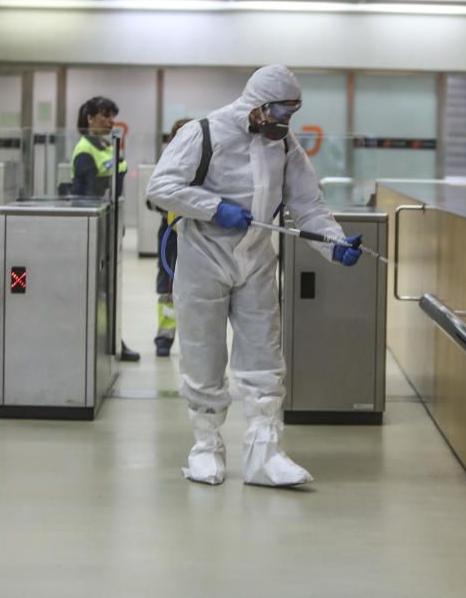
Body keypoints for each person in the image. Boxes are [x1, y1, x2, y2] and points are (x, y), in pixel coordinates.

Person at [146, 65, 362, 487]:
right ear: (257, 105)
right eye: (281, 111)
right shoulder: (203, 132)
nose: (286, 121)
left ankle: (265, 455)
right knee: (203, 354)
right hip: (203, 257)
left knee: (265, 357)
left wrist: (332, 243)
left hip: (257, 259)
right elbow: (161, 186)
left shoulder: (284, 146)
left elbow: (308, 204)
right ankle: (206, 448)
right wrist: (213, 207)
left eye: (293, 112)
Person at [71, 96, 140, 363]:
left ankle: (111, 338)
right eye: (104, 116)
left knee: (110, 286)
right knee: (96, 287)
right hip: (96, 226)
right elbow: (83, 195)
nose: (110, 121)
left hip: (112, 223)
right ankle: (98, 340)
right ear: (89, 118)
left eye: (112, 116)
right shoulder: (85, 150)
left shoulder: (108, 145)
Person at [152, 118, 192, 358]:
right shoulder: (165, 164)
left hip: (198, 235)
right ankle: (164, 337)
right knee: (168, 286)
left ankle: (194, 341)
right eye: (177, 135)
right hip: (170, 234)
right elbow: (153, 197)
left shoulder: (207, 164)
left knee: (198, 288)